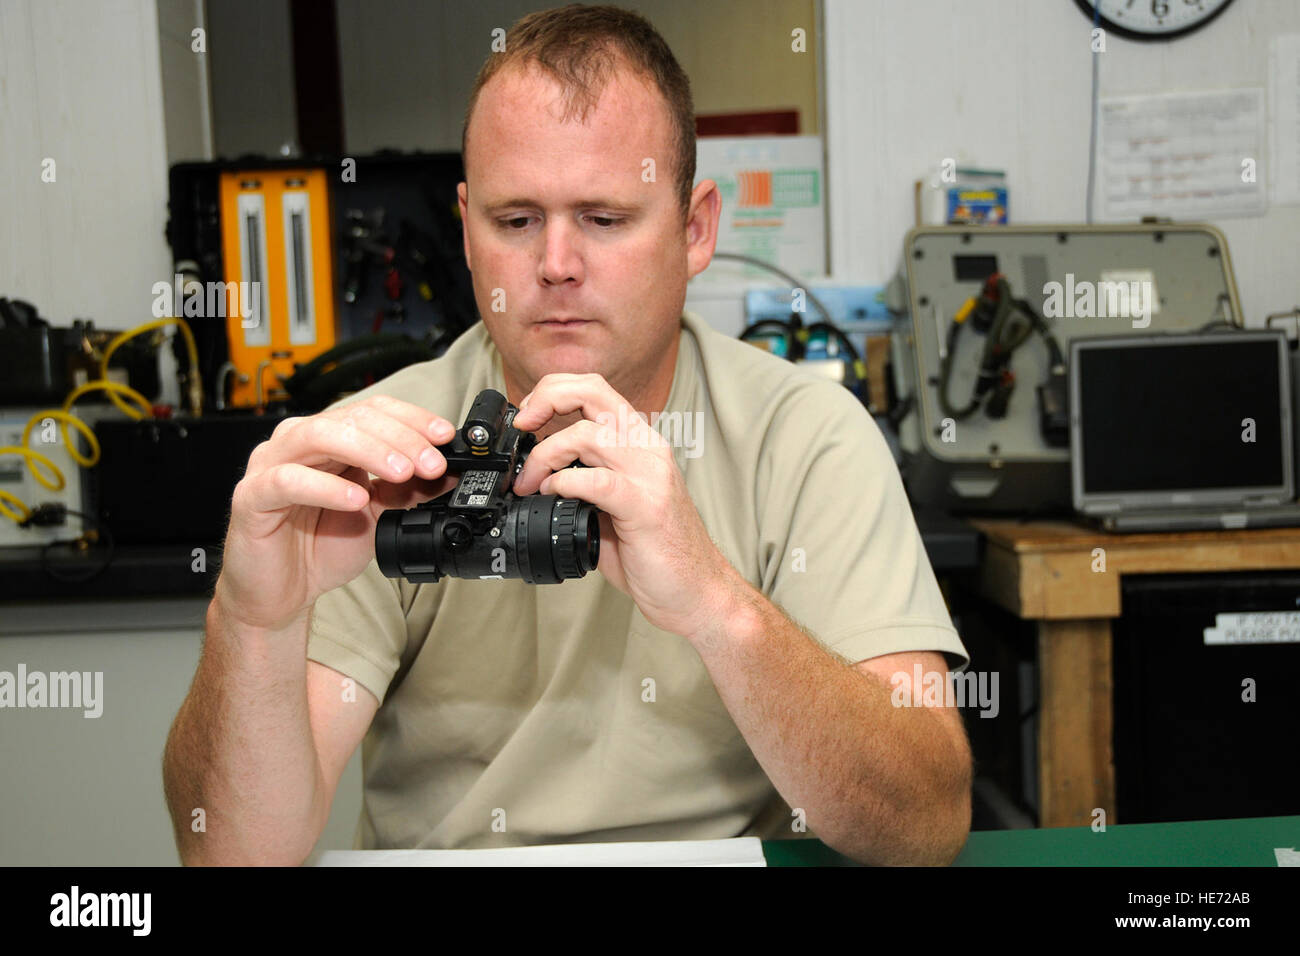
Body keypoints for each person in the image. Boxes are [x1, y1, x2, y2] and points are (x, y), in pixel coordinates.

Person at [163, 3, 972, 866]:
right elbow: (236, 856)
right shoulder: (375, 457)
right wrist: (253, 621)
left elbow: (923, 825)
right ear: (466, 229)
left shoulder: (803, 437)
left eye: (604, 218)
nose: (555, 264)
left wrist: (713, 602)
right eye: (515, 221)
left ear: (695, 228)